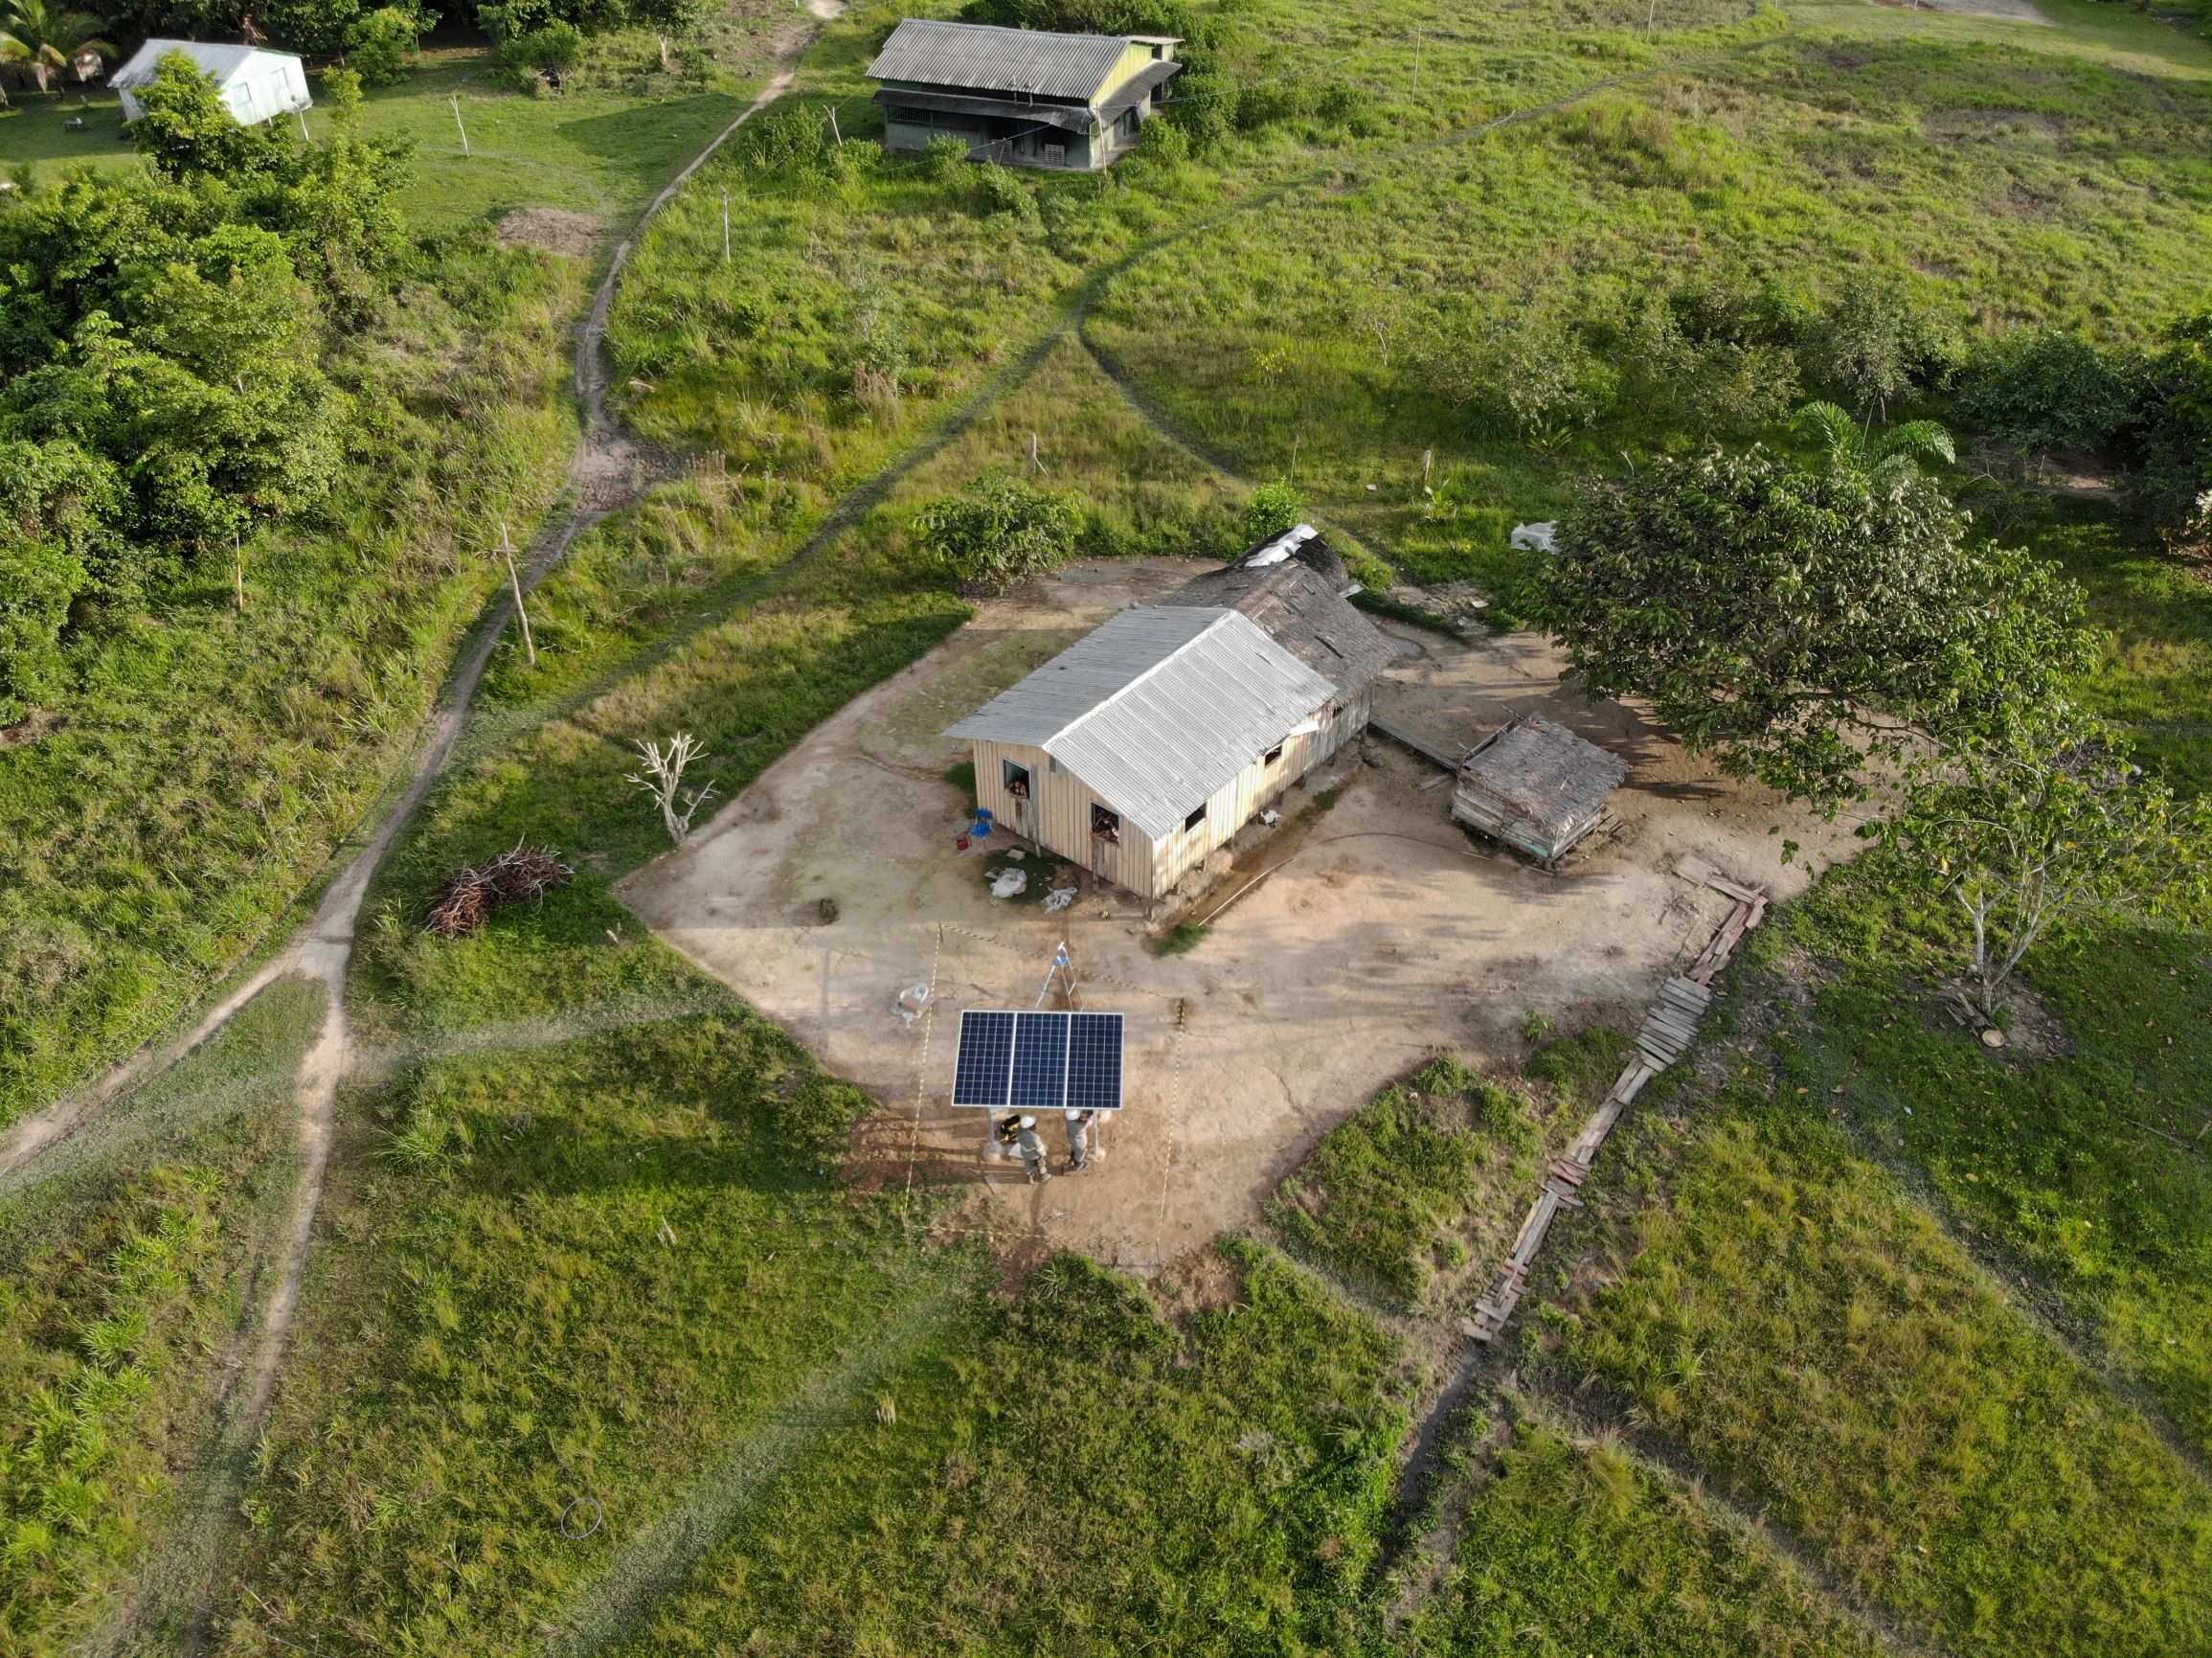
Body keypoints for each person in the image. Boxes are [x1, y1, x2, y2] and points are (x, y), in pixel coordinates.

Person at [1014, 1114, 1051, 1184]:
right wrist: (1044, 1154)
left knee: (1028, 1164)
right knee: (1041, 1165)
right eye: (1033, 1124)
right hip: (1034, 1156)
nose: (1035, 1124)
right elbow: (1040, 1151)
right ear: (1029, 1127)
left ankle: (1030, 1177)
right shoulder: (1035, 1138)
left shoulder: (1018, 1130)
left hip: (1024, 1153)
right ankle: (1044, 1176)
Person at [1064, 1107, 1095, 1171]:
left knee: (1074, 1148)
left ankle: (1071, 1159)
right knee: (1080, 1153)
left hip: (1070, 1136)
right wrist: (1091, 1116)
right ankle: (1078, 1165)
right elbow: (1089, 1122)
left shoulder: (1066, 1117)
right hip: (1079, 1140)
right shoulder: (1082, 1125)